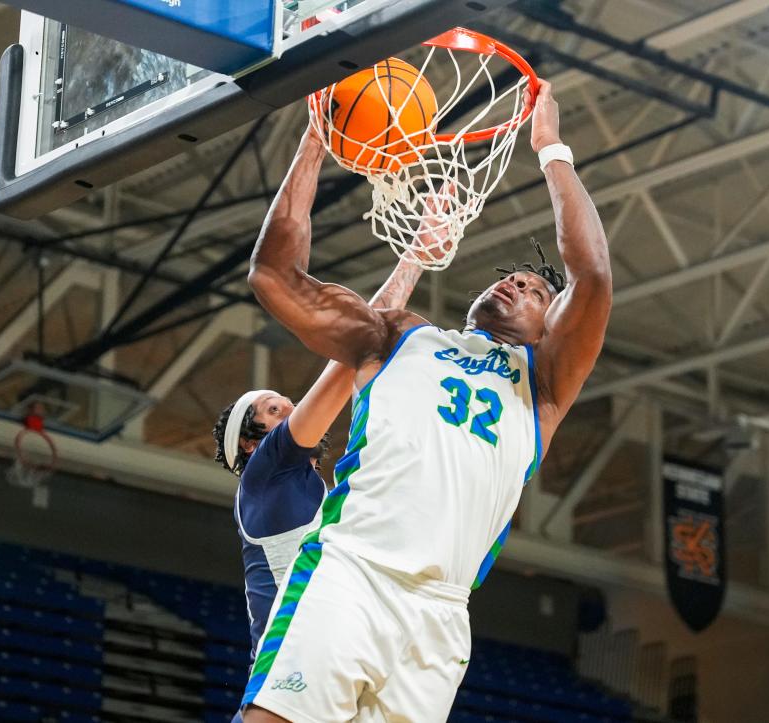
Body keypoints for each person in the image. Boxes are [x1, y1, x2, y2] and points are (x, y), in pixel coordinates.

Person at [242, 79, 611, 722]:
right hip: (351, 569)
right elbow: (275, 278)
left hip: (440, 613)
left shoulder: (545, 388)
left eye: (531, 290)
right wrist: (315, 141)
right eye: (510, 277)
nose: (517, 281)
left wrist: (551, 148)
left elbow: (594, 274)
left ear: (551, 327)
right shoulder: (398, 334)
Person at [212, 235, 429, 721]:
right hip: (289, 655)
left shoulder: (311, 490)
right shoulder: (266, 469)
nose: (289, 405)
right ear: (251, 442)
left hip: (327, 646)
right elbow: (355, 346)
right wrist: (414, 256)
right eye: (272, 409)